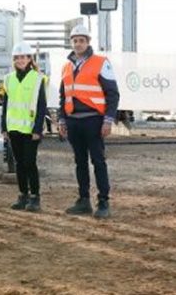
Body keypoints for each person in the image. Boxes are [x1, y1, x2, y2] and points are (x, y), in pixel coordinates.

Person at [59, 24, 119, 219]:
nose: (78, 44)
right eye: (75, 40)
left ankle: (103, 201)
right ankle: (84, 200)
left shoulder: (101, 62)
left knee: (98, 161)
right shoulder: (66, 66)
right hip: (73, 122)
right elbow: (63, 96)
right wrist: (62, 119)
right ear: (71, 43)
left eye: (81, 40)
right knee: (80, 162)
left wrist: (108, 120)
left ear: (88, 42)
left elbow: (112, 93)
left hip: (94, 120)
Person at [1, 42, 47, 212]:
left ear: (30, 59)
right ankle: (23, 195)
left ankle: (35, 197)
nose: (20, 60)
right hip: (13, 128)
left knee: (29, 162)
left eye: (24, 57)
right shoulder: (8, 79)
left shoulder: (37, 78)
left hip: (30, 130)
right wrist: (3, 127)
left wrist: (37, 129)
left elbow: (42, 106)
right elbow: (6, 105)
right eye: (17, 58)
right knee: (20, 163)